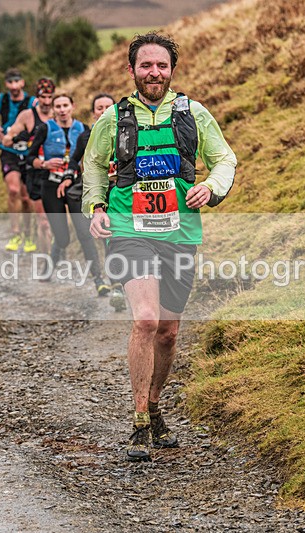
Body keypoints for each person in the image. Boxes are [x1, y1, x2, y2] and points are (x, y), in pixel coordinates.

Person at [82, 33, 237, 461]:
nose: (154, 72)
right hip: (130, 229)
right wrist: (96, 207)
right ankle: (137, 422)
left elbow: (225, 159)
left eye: (161, 66)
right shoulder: (113, 118)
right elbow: (93, 166)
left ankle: (154, 405)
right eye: (146, 65)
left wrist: (210, 187)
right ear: (131, 70)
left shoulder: (194, 114)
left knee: (168, 333)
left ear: (172, 70)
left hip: (180, 233)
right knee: (146, 321)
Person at [26, 92, 110, 295]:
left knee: (84, 234)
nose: (62, 109)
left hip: (74, 188)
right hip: (51, 186)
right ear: (53, 109)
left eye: (66, 105)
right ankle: (51, 265)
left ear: (72, 107)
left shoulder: (83, 130)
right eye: (58, 106)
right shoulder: (45, 128)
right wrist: (44, 163)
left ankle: (99, 281)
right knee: (62, 238)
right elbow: (29, 158)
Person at [65, 92, 125, 306]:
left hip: (117, 191)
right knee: (91, 237)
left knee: (112, 237)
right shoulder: (85, 136)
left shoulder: (125, 133)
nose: (103, 111)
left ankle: (117, 282)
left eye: (108, 107)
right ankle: (100, 280)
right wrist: (66, 178)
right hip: (90, 190)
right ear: (93, 112)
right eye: (99, 108)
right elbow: (73, 160)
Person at [2, 77, 58, 255]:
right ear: (37, 97)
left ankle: (53, 246)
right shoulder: (27, 115)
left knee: (45, 213)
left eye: (50, 97)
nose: (47, 102)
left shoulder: (58, 114)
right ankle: (20, 234)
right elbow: (7, 139)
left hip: (53, 168)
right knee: (22, 197)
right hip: (29, 165)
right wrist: (19, 137)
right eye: (43, 97)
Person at [0, 69, 37, 252]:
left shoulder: (32, 102)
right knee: (13, 190)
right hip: (8, 151)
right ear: (6, 84)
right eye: (10, 82)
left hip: (28, 151)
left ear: (22, 83)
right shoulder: (0, 100)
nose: (14, 86)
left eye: (17, 82)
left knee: (26, 197)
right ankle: (15, 233)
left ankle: (28, 234)